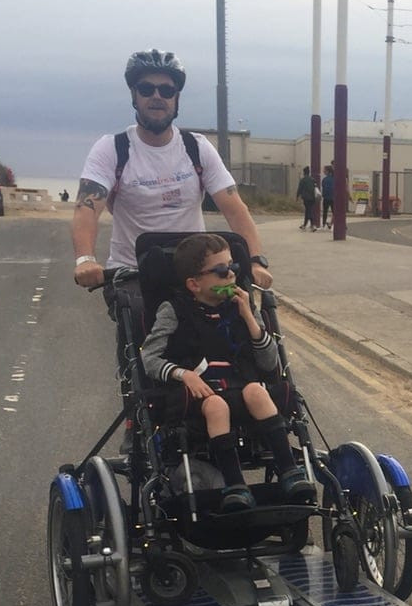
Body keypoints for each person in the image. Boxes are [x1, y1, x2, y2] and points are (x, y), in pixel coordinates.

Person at [71, 49, 273, 308]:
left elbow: (235, 210)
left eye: (166, 90)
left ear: (176, 97)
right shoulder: (112, 149)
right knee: (142, 324)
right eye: (147, 89)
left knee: (234, 320)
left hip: (195, 274)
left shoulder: (196, 147)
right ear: (134, 95)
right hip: (133, 274)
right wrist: (85, 259)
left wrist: (256, 261)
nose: (157, 96)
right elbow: (86, 209)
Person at [140, 233, 314, 512]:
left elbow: (269, 363)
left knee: (257, 390)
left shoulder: (243, 308)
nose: (231, 275)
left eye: (233, 267)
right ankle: (235, 485)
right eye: (221, 271)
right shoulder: (173, 310)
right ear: (194, 284)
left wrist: (249, 317)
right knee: (217, 406)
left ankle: (290, 471)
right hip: (198, 393)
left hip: (240, 386)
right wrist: (183, 374)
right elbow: (149, 357)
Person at [296, 166, 319, 231]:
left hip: (306, 198)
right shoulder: (313, 179)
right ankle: (305, 225)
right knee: (308, 210)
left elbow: (299, 189)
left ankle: (312, 225)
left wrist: (297, 197)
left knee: (309, 211)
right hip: (313, 198)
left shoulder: (303, 180)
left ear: (304, 172)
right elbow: (316, 188)